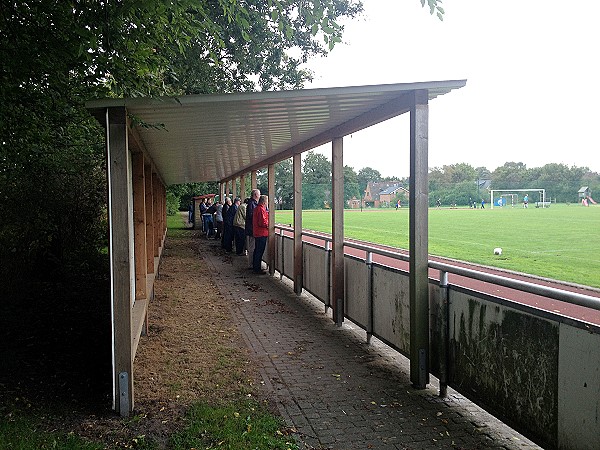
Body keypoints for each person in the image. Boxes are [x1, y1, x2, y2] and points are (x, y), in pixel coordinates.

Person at [252, 195, 269, 274]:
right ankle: (257, 268)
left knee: (257, 250)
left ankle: (255, 266)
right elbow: (262, 222)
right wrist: (268, 225)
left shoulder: (256, 208)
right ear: (264, 202)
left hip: (257, 232)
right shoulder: (261, 209)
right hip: (261, 233)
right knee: (259, 251)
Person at [245, 189, 260, 269]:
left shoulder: (252, 203)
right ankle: (251, 265)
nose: (260, 196)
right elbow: (252, 216)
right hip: (252, 229)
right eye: (259, 194)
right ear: (256, 195)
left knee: (252, 247)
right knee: (252, 247)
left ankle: (252, 264)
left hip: (252, 229)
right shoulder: (252, 204)